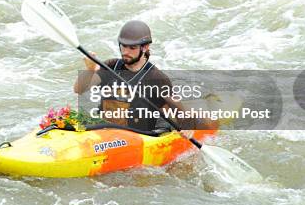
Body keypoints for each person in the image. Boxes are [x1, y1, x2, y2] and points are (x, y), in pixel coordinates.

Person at [73, 20, 215, 133]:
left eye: (132, 48)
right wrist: (90, 70)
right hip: (107, 133)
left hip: (140, 138)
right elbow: (78, 89)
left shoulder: (156, 78)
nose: (126, 52)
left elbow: (179, 111)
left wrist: (187, 128)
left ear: (145, 47)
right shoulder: (111, 66)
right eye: (123, 46)